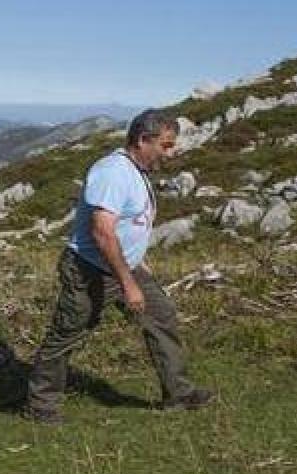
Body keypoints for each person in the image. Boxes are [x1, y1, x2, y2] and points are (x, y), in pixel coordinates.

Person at [23, 109, 215, 424]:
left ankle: (178, 393)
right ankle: (41, 405)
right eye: (166, 145)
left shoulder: (136, 171)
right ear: (143, 140)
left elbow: (128, 226)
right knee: (67, 334)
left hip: (123, 266)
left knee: (161, 316)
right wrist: (129, 284)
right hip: (90, 270)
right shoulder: (113, 172)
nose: (172, 152)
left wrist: (139, 265)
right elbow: (102, 231)